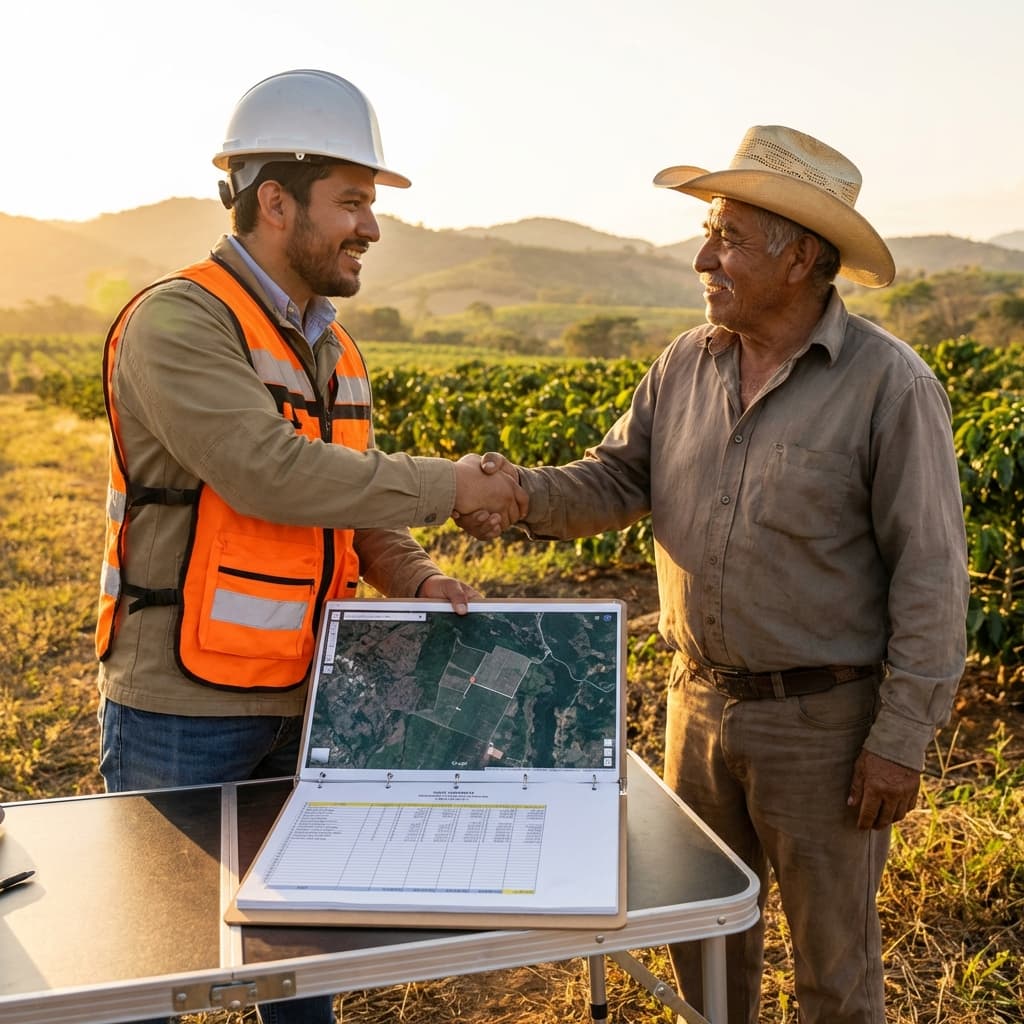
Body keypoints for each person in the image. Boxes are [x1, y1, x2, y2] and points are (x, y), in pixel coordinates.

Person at [458, 126, 969, 1023]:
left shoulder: (889, 386)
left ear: (802, 256)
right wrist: (517, 495)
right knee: (704, 944)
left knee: (834, 971)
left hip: (825, 728)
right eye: (710, 233)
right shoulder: (686, 364)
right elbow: (618, 479)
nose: (704, 256)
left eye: (729, 236)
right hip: (695, 706)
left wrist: (900, 739)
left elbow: (930, 573)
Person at [95, 69, 523, 1024]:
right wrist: (455, 484)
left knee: (301, 965)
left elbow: (356, 507)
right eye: (354, 203)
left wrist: (418, 570)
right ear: (274, 202)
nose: (371, 227)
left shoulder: (337, 350)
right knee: (143, 976)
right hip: (181, 710)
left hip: (312, 701)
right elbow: (269, 473)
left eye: (371, 205)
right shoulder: (181, 320)